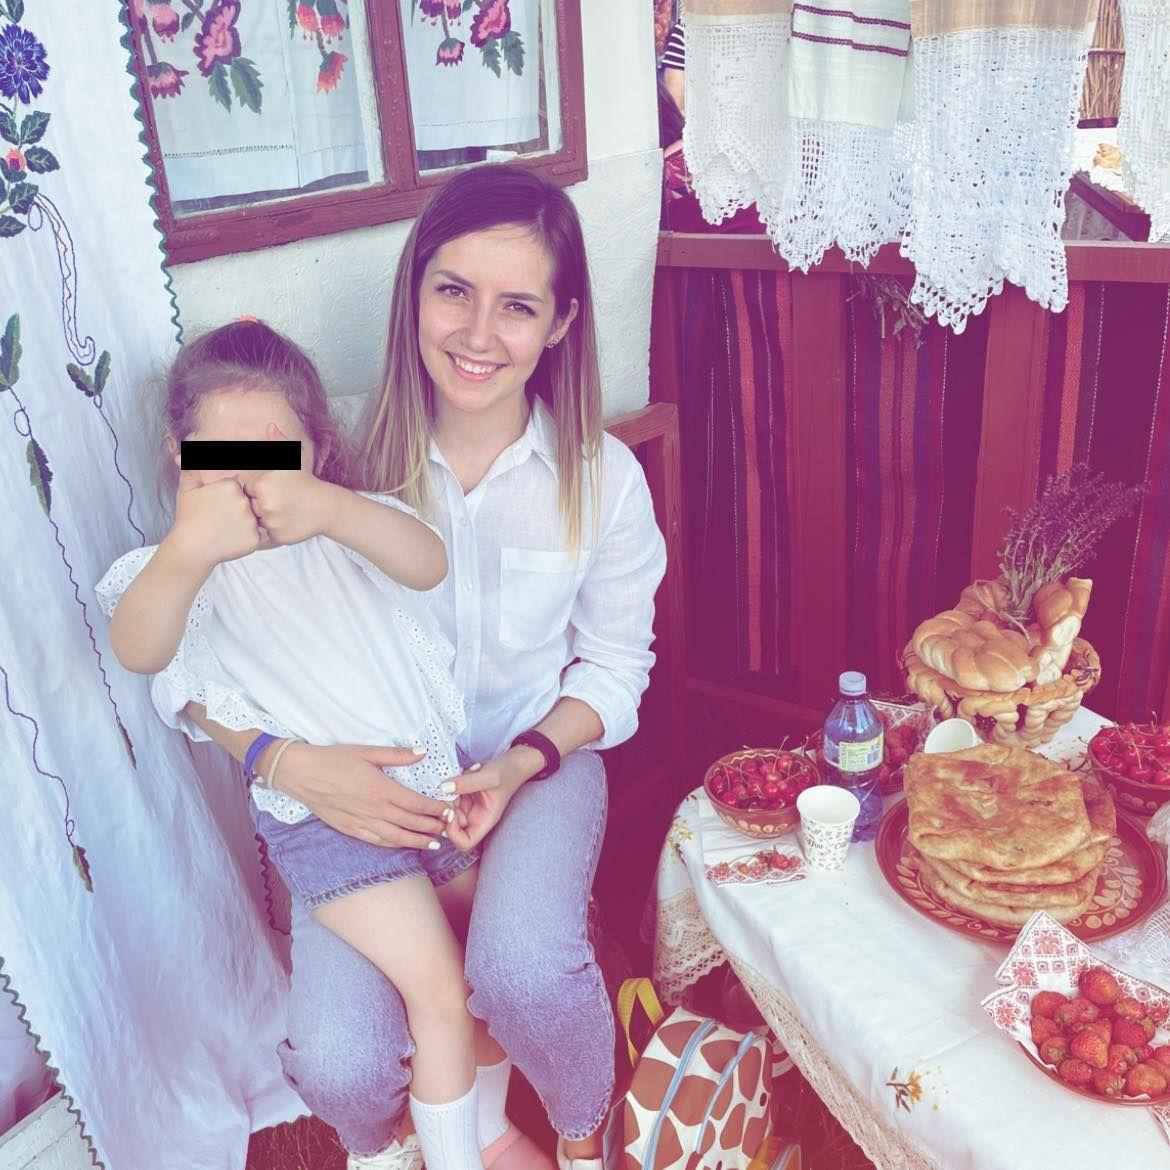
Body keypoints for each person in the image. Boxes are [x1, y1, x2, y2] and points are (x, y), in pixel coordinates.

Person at [167, 165, 667, 1170]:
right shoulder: (327, 450)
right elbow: (202, 634)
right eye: (453, 291)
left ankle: (583, 1141)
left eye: (517, 305)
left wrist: (520, 764)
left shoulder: (602, 480)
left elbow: (615, 669)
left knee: (523, 970)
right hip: (365, 791)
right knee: (342, 1064)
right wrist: (282, 763)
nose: (478, 334)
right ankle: (448, 1135)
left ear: (561, 323)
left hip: (533, 764)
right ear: (414, 293)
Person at [96, 320, 489, 1170]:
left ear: (317, 448)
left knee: (481, 960)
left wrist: (332, 508)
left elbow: (426, 563)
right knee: (439, 991)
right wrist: (189, 546)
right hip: (326, 826)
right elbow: (139, 646)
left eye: (274, 455)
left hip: (434, 789)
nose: (251, 484)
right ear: (178, 456)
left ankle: (472, 1122)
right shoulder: (182, 574)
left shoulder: (350, 532)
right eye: (221, 459)